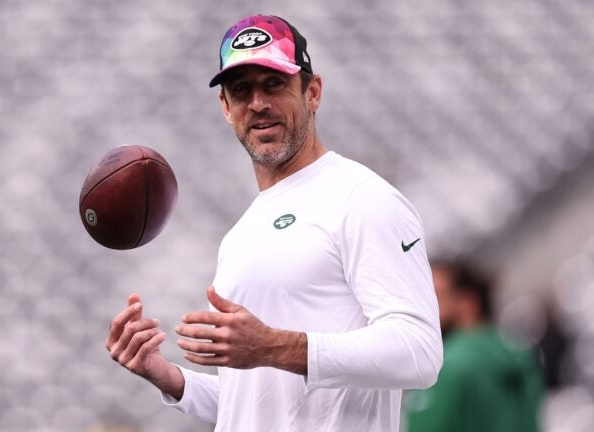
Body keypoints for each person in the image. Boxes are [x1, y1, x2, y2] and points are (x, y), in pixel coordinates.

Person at [105, 14, 443, 432]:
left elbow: (419, 353)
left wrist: (275, 346)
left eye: (274, 84)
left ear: (313, 92)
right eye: (242, 90)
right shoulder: (241, 233)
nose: (258, 103)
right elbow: (256, 402)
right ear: (226, 108)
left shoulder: (363, 198)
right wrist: (171, 379)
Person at [404, 261, 543, 432]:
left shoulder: (448, 365)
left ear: (468, 303)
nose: (425, 307)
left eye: (435, 296)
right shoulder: (518, 351)